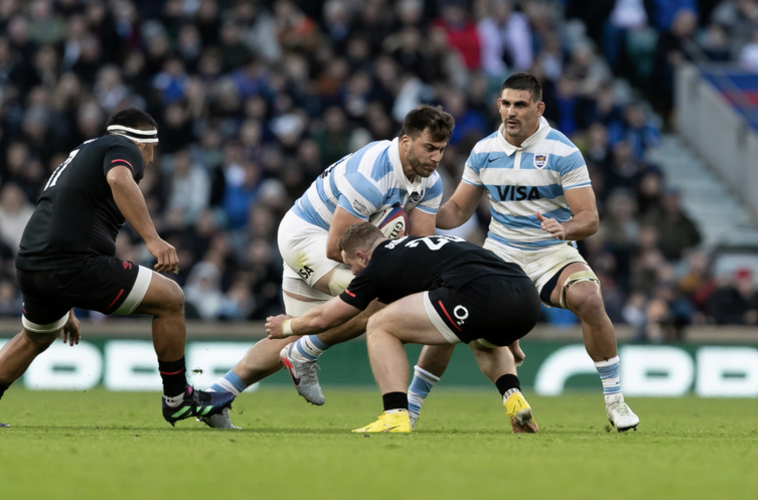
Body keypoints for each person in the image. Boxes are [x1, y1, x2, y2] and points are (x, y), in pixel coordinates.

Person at [406, 73, 640, 432]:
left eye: (520, 104)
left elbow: (590, 218)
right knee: (450, 315)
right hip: (501, 255)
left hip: (551, 253)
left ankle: (615, 400)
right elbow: (457, 212)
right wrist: (418, 212)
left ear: (539, 108)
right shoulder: (484, 151)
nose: (511, 111)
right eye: (505, 103)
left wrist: (566, 229)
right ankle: (409, 407)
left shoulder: (563, 152)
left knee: (589, 298)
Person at [200, 105, 454, 428]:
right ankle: (306, 354)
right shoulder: (371, 177)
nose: (436, 158)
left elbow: (418, 247)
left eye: (441, 150)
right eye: (429, 148)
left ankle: (215, 397)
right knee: (375, 300)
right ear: (405, 142)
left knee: (293, 333)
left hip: (333, 243)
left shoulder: (430, 182)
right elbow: (337, 248)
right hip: (307, 238)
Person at [0, 108, 234, 428]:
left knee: (34, 338)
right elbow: (118, 178)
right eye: (153, 149)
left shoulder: (83, 152)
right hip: (73, 263)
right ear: (144, 142)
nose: (151, 159)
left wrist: (64, 301)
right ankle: (178, 398)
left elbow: (62, 215)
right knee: (170, 298)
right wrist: (152, 239)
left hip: (32, 262)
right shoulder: (123, 146)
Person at [265, 223, 540, 433]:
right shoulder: (427, 243)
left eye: (350, 265)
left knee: (379, 324)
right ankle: (514, 399)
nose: (354, 273)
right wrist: (512, 341)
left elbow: (327, 317)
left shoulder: (378, 265)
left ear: (361, 256)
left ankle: (395, 414)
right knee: (478, 338)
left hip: (478, 296)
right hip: (525, 297)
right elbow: (491, 279)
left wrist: (287, 326)